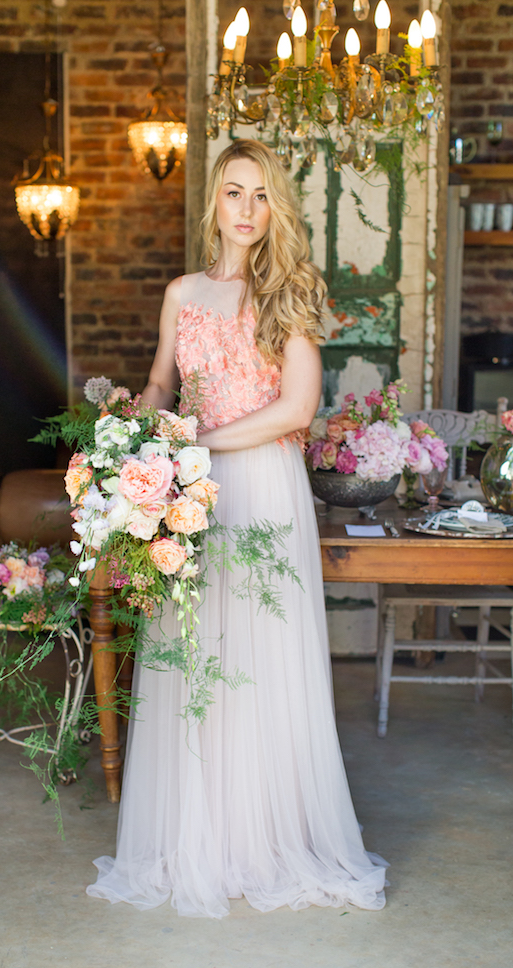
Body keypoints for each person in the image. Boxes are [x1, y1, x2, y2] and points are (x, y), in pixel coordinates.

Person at [86, 139, 387, 918]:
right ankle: (203, 834)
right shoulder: (182, 292)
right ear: (213, 203)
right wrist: (135, 430)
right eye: (233, 194)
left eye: (260, 195)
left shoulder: (288, 288)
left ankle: (270, 835)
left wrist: (196, 442)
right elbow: (163, 378)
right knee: (195, 652)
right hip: (191, 488)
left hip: (260, 487)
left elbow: (297, 409)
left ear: (274, 206)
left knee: (259, 652)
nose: (247, 210)